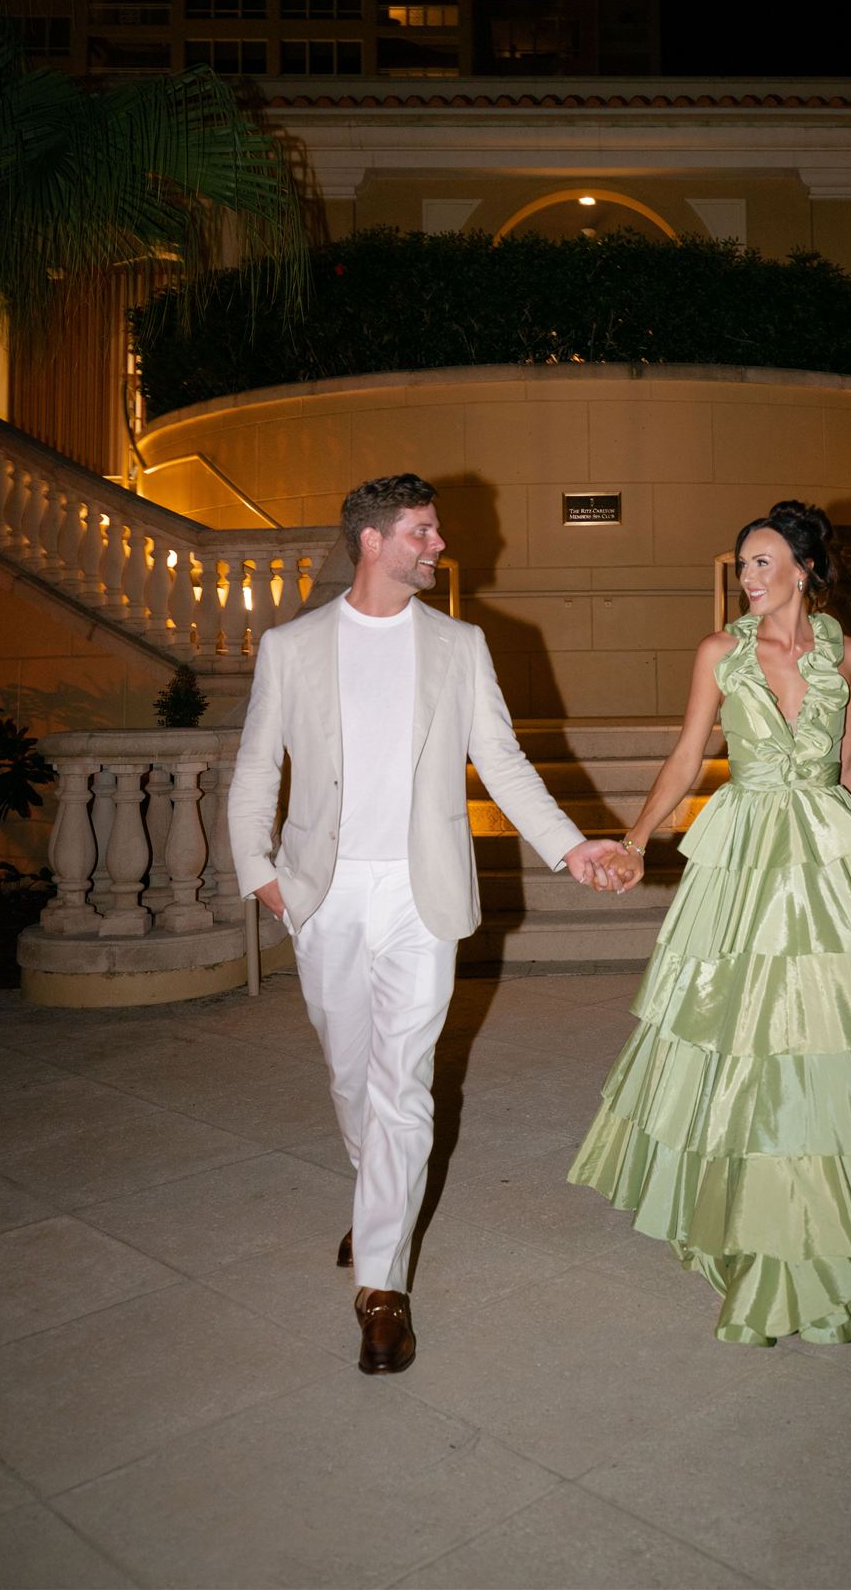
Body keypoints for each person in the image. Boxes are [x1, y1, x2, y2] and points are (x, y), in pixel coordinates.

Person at [229, 473, 622, 1375]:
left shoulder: (460, 645)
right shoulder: (292, 647)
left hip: (421, 893)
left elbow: (506, 763)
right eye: (421, 531)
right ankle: (382, 1201)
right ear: (371, 541)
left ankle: (380, 1287)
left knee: (403, 1081)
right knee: (348, 1073)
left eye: (434, 531)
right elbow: (255, 769)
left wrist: (571, 849)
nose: (437, 545)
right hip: (323, 892)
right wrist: (262, 876)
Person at [569, 499, 851, 1345]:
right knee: (744, 1030)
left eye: (761, 563)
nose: (747, 579)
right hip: (750, 849)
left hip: (826, 855)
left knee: (843, 1034)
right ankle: (753, 1218)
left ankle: (845, 1224)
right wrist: (638, 839)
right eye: (742, 565)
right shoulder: (720, 651)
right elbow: (687, 756)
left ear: (803, 569)